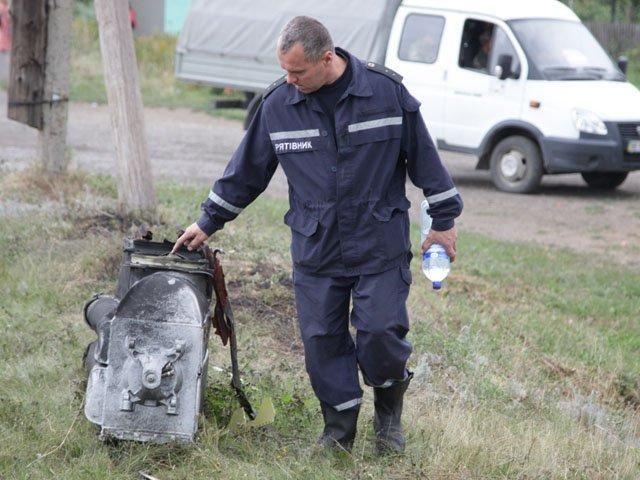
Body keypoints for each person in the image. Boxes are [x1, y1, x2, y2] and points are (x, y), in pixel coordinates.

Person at [172, 16, 463, 454]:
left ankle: (388, 423)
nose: (289, 80)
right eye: (285, 71)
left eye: (298, 72)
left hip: (377, 243)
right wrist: (206, 221)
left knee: (381, 332)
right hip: (316, 247)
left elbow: (426, 161)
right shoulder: (277, 105)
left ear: (327, 58)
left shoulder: (385, 93)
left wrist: (443, 223)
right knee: (321, 343)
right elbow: (245, 173)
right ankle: (339, 434)